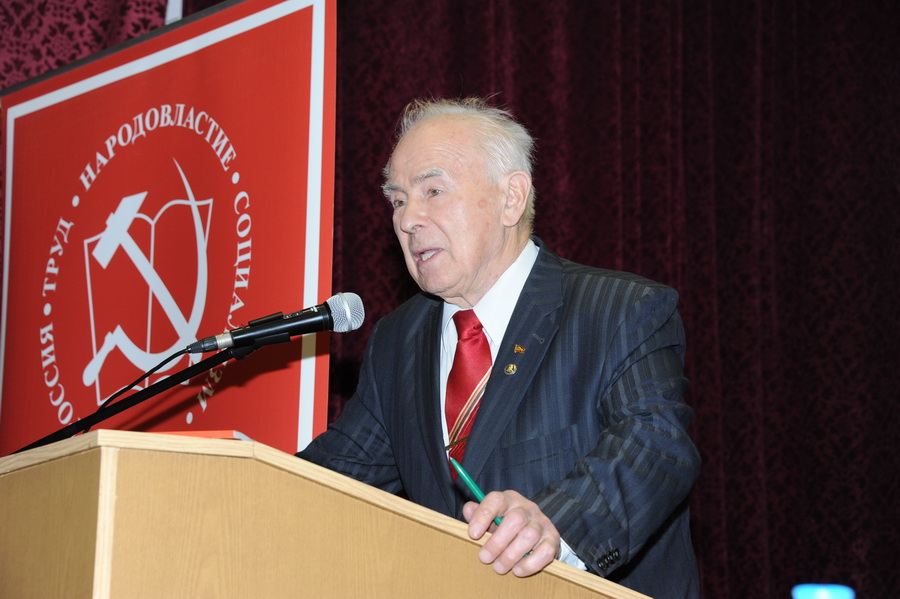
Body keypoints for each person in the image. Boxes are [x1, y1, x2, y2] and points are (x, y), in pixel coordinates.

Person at [298, 97, 701, 598]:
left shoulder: (617, 310)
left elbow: (656, 445)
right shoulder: (397, 340)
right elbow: (332, 479)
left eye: (432, 191)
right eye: (398, 201)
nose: (407, 220)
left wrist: (553, 523)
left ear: (512, 198)